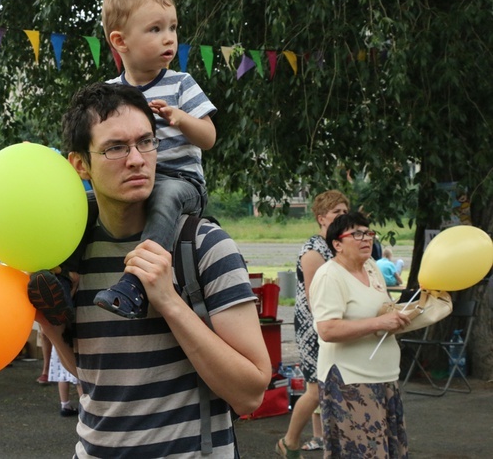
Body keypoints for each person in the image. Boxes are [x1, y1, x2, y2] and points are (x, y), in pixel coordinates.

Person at [30, 82, 270, 456]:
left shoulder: (205, 245)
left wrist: (169, 302)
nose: (138, 159)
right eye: (115, 147)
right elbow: (94, 375)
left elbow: (250, 393)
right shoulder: (70, 255)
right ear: (80, 164)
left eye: (146, 141)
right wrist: (50, 324)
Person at [87, 0, 217, 318]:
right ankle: (64, 274)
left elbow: (208, 137)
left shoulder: (181, 83)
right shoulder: (111, 92)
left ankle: (135, 285)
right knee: (84, 203)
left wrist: (181, 118)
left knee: (165, 198)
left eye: (172, 28)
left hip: (182, 182)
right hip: (134, 180)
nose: (169, 38)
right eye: (156, 29)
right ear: (120, 41)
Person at [310, 212, 411, 458]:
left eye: (368, 233)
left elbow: (380, 311)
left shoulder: (372, 266)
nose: (366, 238)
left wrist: (399, 317)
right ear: (337, 244)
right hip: (350, 382)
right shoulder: (329, 275)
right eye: (356, 234)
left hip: (384, 377)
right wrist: (379, 322)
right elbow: (327, 329)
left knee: (388, 451)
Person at [277, 190, 349, 458]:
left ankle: (336, 440)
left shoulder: (340, 246)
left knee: (339, 384)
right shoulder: (313, 250)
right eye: (337, 213)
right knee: (316, 389)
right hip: (314, 329)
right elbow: (314, 298)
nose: (343, 217)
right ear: (321, 218)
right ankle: (290, 441)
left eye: (345, 212)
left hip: (338, 324)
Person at [48, 345, 82, 417]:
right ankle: (84, 408)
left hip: (59, 342)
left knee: (62, 373)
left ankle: (65, 405)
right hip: (76, 342)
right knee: (79, 376)